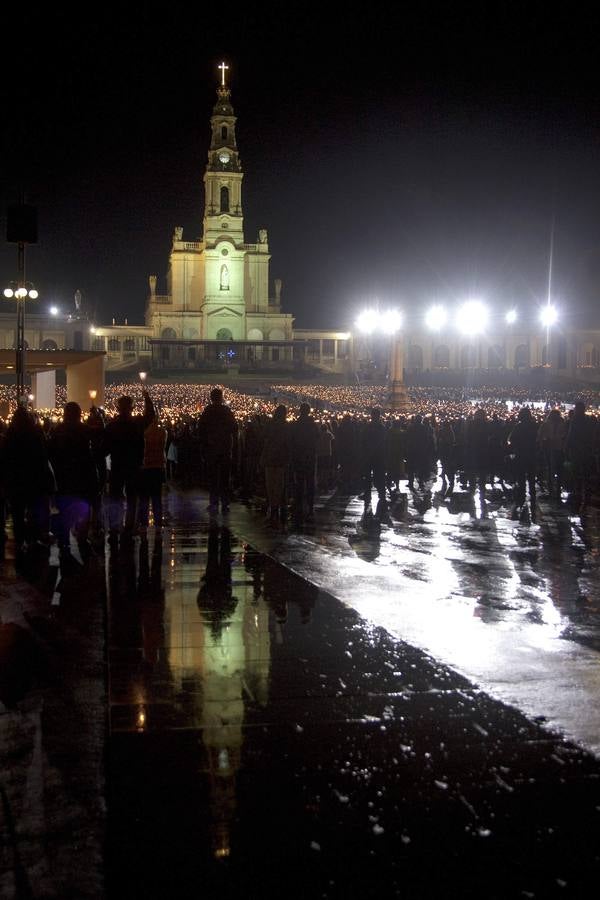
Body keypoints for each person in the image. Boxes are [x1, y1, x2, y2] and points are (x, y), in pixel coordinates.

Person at [47, 401, 99, 563]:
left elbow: (50, 453)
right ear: (78, 414)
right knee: (84, 511)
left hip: (63, 480)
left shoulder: (57, 431)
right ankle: (82, 539)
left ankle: (65, 545)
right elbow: (100, 440)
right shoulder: (84, 430)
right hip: (83, 479)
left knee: (64, 513)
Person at [104, 390, 155, 543]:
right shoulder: (137, 424)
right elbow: (150, 415)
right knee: (132, 498)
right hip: (134, 466)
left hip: (117, 466)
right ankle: (129, 527)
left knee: (115, 498)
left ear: (118, 408)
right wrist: (147, 398)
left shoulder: (112, 426)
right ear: (132, 408)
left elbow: (105, 448)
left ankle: (114, 528)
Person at [2, 405, 54, 553]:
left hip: (16, 480)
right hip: (34, 480)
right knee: (33, 510)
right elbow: (43, 456)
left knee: (17, 513)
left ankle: (20, 540)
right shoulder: (35, 434)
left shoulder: (10, 435)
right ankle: (33, 538)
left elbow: (5, 459)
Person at [198, 387, 238, 514]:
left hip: (212, 449)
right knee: (225, 478)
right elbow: (234, 427)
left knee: (213, 478)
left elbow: (201, 429)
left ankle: (214, 502)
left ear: (211, 398)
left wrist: (206, 443)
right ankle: (225, 503)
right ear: (221, 398)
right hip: (225, 449)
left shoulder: (208, 411)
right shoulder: (226, 411)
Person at [259, 404, 291, 525]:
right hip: (281, 459)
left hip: (270, 458)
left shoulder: (270, 424)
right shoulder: (286, 426)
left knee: (270, 485)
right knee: (279, 485)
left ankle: (273, 507)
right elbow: (288, 443)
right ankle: (276, 508)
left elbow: (263, 437)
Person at [138, 413, 167, 533]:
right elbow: (163, 448)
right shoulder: (162, 432)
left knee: (144, 498)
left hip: (145, 467)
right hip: (157, 466)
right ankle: (158, 523)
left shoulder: (143, 433)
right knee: (156, 497)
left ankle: (143, 524)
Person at [508, 407, 539, 520]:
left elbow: (511, 439)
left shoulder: (519, 426)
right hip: (532, 454)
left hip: (520, 454)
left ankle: (521, 497)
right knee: (531, 476)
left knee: (521, 477)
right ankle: (533, 495)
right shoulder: (535, 426)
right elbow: (538, 439)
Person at [290, 402, 319, 524]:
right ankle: (310, 506)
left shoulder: (296, 424)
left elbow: (292, 440)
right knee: (310, 482)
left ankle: (298, 505)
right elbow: (317, 438)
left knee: (299, 482)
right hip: (310, 457)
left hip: (299, 456)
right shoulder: (312, 425)